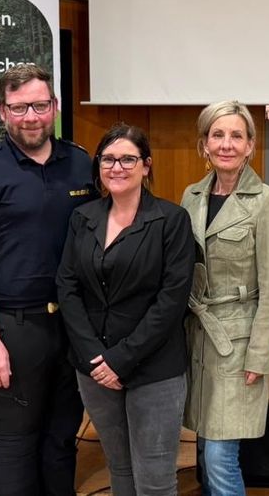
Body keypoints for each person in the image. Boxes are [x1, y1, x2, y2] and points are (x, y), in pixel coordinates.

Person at [0, 64, 94, 495]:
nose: (30, 116)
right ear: (2, 111)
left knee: (61, 438)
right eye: (19, 107)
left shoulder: (82, 162)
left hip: (73, 325)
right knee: (15, 441)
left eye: (39, 105)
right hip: (15, 326)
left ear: (54, 107)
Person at [55, 123, 195, 496]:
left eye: (128, 159)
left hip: (154, 369)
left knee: (155, 479)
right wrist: (93, 357)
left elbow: (172, 300)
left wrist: (121, 359)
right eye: (108, 159)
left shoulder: (171, 220)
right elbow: (67, 288)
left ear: (146, 166)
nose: (117, 167)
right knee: (119, 469)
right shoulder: (83, 217)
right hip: (95, 368)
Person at [179, 101, 269, 495]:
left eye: (236, 136)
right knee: (205, 447)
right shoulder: (191, 196)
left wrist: (261, 356)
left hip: (239, 345)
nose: (226, 144)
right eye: (218, 134)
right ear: (204, 144)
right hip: (198, 340)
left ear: (250, 146)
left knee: (220, 458)